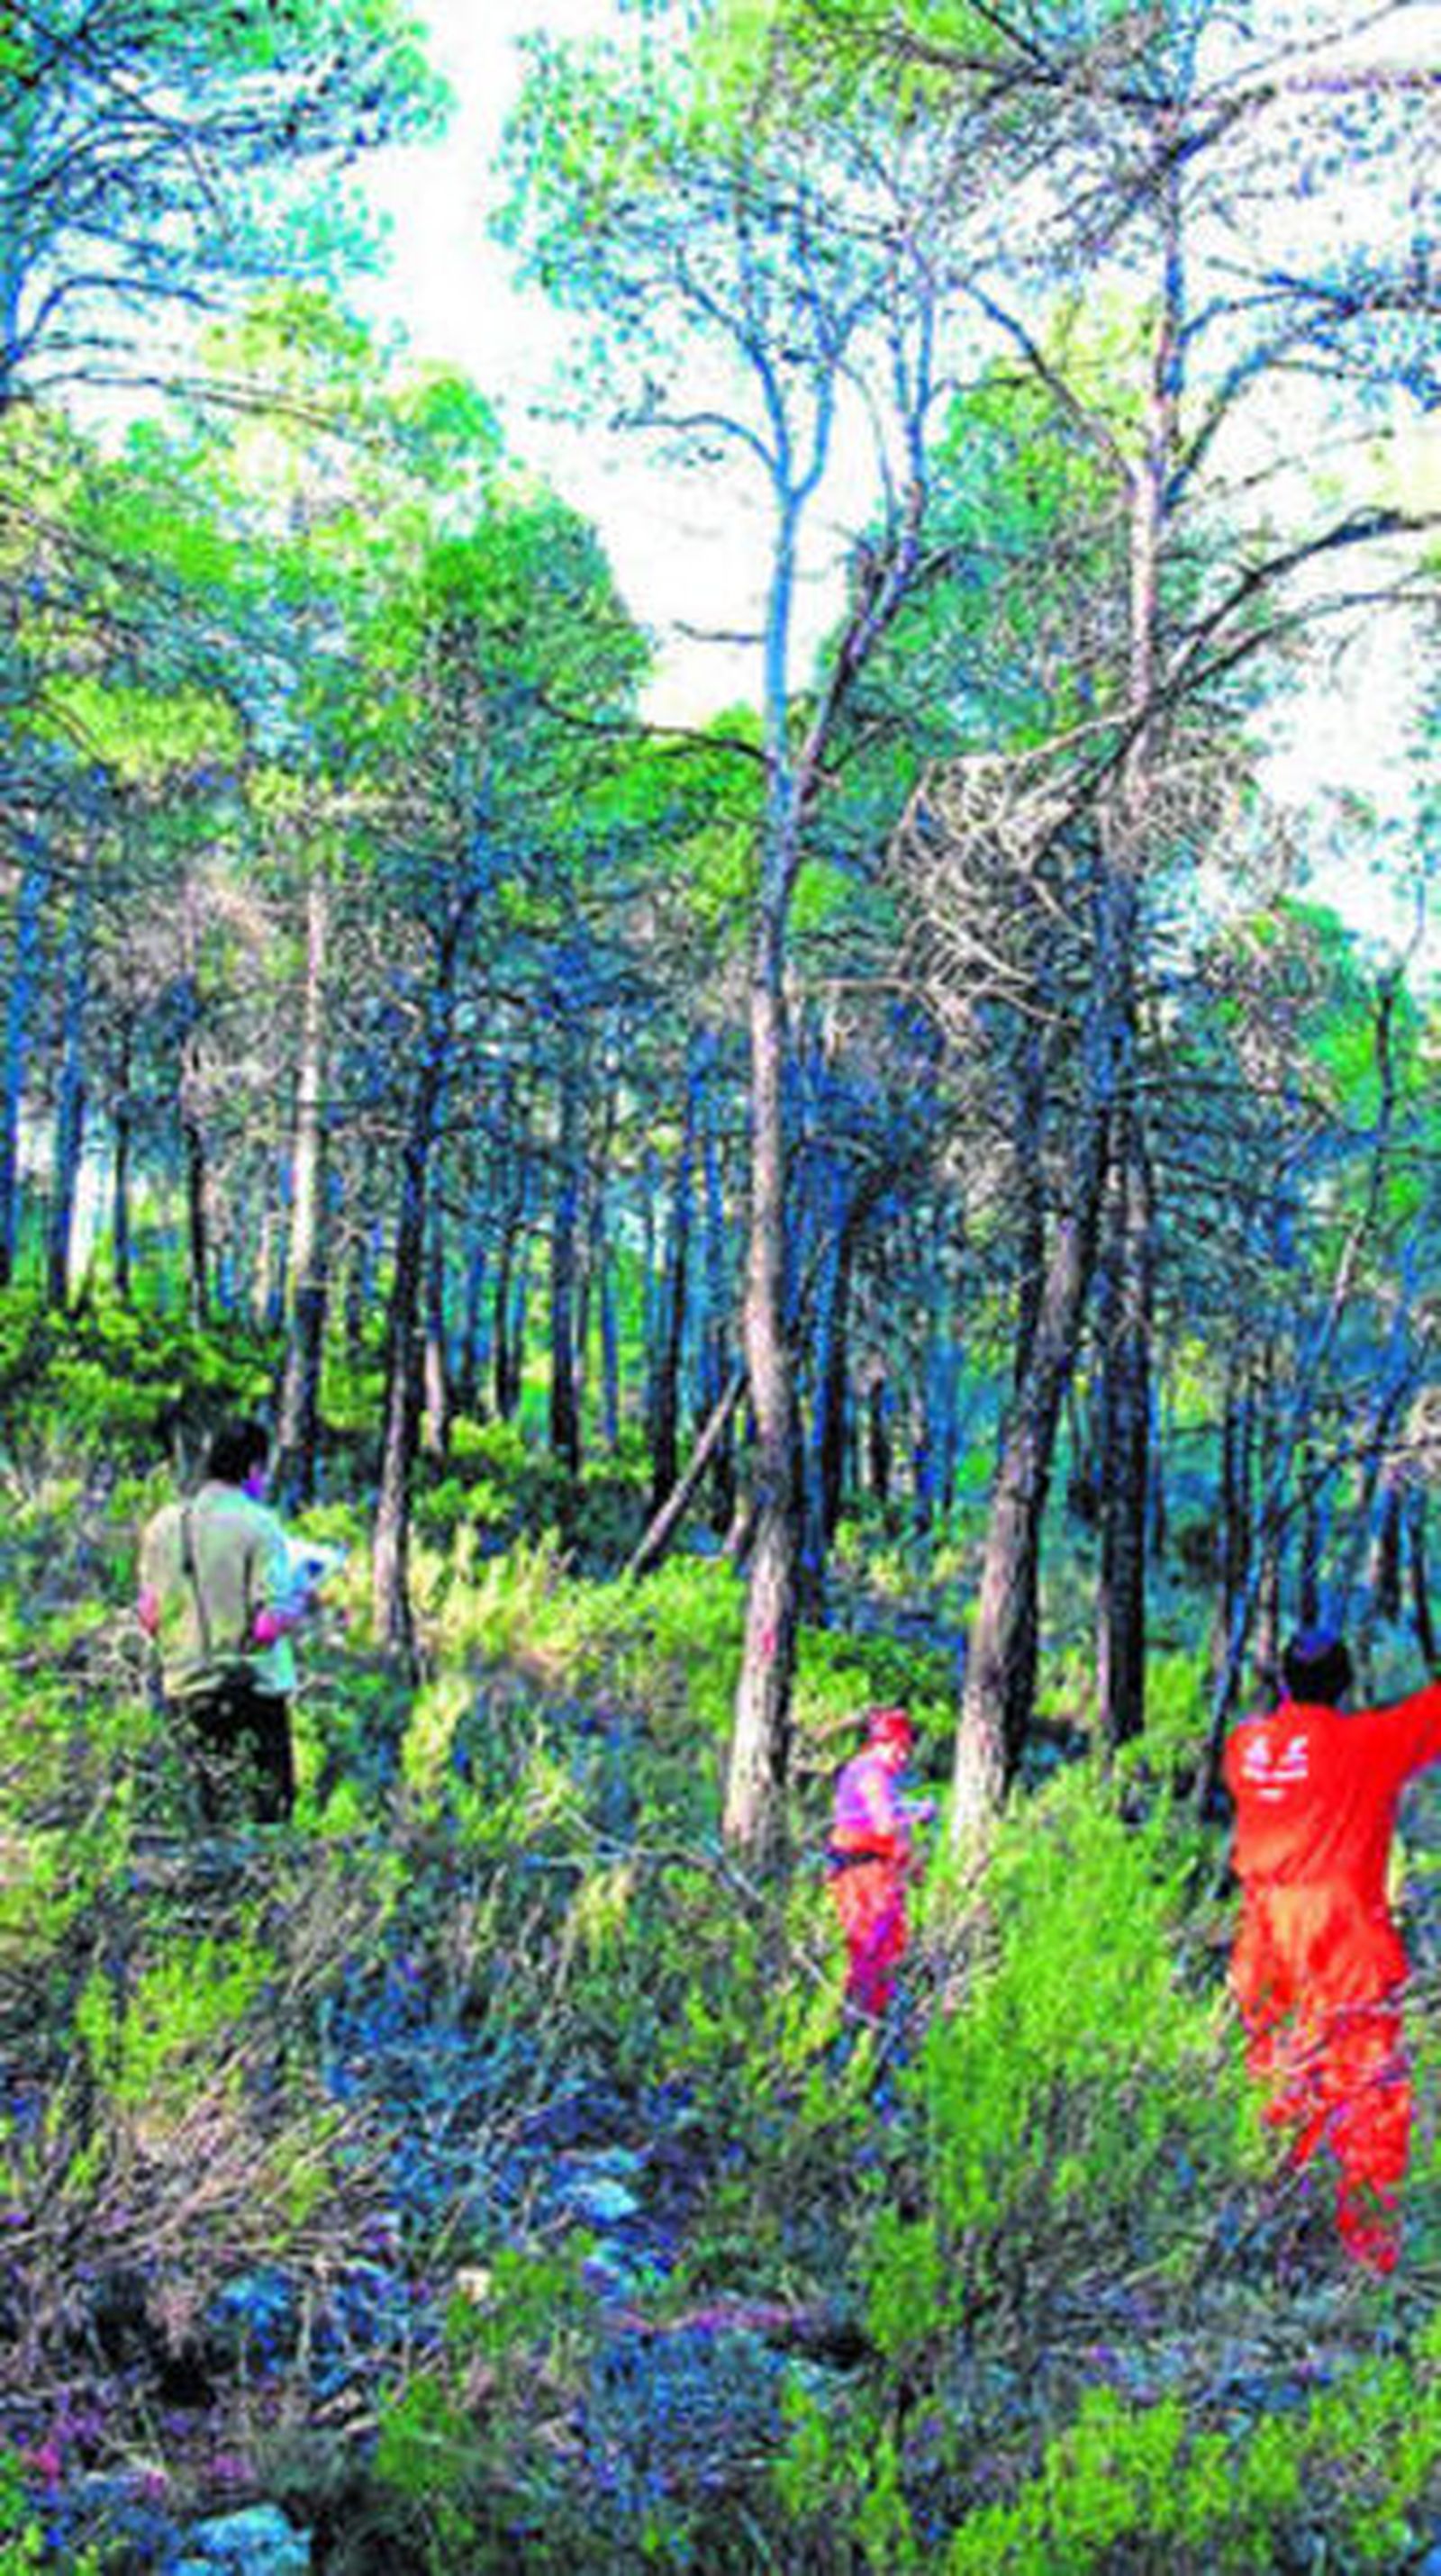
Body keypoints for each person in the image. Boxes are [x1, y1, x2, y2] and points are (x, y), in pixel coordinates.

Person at [1224, 1625, 1441, 2273]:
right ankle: (1366, 2255)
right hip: (1343, 1934)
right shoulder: (1368, 1743)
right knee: (1368, 2087)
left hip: (1262, 1935)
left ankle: (1275, 2234)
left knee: (1278, 2083)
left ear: (1284, 1681)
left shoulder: (1245, 1748)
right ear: (1346, 1683)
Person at [137, 1417, 315, 1826]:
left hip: (184, 1689)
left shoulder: (164, 1525)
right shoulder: (260, 1525)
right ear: (253, 1469)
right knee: (267, 1815)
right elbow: (267, 1626)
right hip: (252, 1693)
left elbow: (149, 1616)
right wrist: (299, 1598)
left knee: (203, 1815)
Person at [826, 1706, 936, 2020]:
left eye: (906, 1749)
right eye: (898, 1749)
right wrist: (918, 1814)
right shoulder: (872, 1773)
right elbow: (885, 1824)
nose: (903, 1758)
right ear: (880, 1743)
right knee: (869, 1954)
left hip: (863, 1876)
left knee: (871, 1955)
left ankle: (863, 2023)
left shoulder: (861, 1770)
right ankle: (863, 2027)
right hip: (864, 1881)